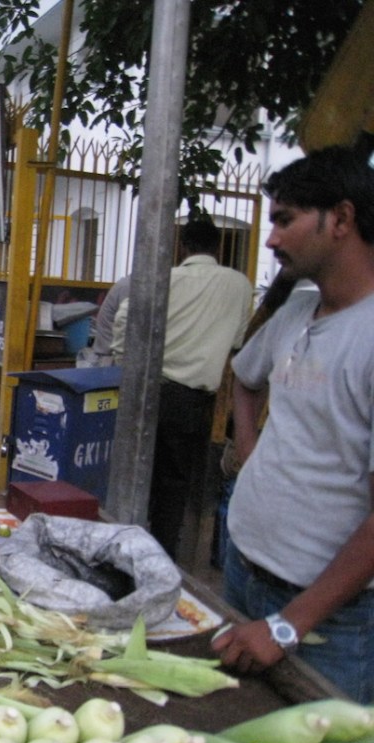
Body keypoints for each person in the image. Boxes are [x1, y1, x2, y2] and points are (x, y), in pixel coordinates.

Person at [211, 146, 374, 704]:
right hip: (244, 570)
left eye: (285, 220)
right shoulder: (298, 312)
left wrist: (288, 625)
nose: (271, 239)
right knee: (238, 729)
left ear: (342, 219)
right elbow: (244, 378)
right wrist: (250, 452)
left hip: (329, 618)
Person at [112, 218, 253, 560]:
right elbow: (238, 340)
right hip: (193, 400)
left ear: (183, 246)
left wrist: (123, 361)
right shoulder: (239, 285)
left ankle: (122, 550)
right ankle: (161, 558)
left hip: (147, 390)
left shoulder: (165, 279)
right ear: (217, 247)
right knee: (175, 484)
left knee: (134, 474)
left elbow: (123, 318)